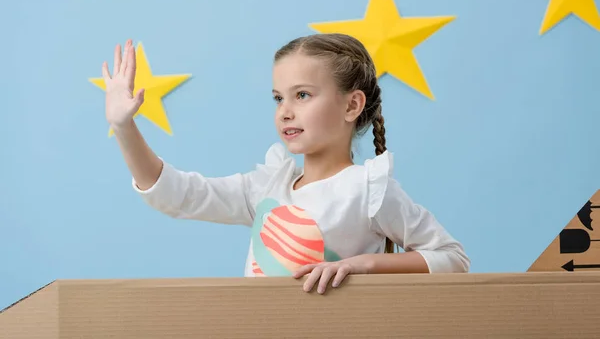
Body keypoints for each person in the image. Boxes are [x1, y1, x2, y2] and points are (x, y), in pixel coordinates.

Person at [100, 34, 470, 295]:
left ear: (351, 105)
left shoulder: (369, 189)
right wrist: (123, 126)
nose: (285, 111)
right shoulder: (266, 187)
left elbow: (451, 258)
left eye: (303, 95)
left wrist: (362, 266)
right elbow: (177, 194)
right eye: (279, 98)